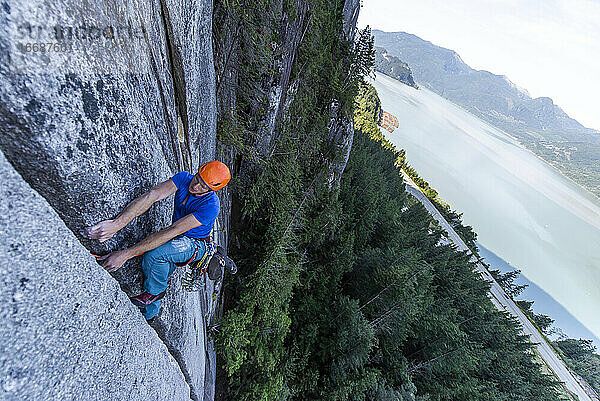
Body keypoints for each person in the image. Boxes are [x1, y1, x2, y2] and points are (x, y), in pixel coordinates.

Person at [82, 161, 231, 321]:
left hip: (195, 243)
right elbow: (152, 195)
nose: (195, 186)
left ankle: (155, 293)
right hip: (178, 236)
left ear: (211, 190)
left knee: (156, 254)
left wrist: (125, 255)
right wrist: (116, 224)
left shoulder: (211, 207)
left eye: (203, 186)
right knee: (160, 270)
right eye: (197, 179)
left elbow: (173, 230)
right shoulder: (184, 178)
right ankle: (150, 315)